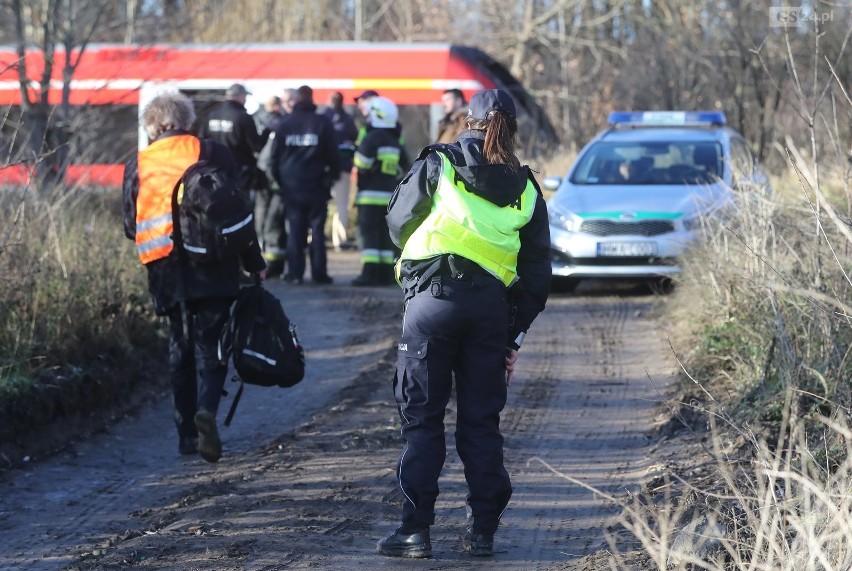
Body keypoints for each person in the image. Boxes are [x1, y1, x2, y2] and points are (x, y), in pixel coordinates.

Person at [378, 89, 551, 558]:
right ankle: (482, 532)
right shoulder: (528, 186)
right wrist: (513, 336)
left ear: (465, 121)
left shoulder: (439, 164)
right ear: (512, 127)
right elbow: (537, 275)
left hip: (432, 305)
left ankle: (415, 531)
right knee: (480, 425)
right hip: (490, 313)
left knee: (422, 422)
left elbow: (397, 224)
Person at [122, 92, 266, 463]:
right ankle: (207, 410)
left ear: (151, 126)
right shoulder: (211, 152)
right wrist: (254, 261)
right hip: (213, 265)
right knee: (212, 345)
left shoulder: (138, 163)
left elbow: (128, 225)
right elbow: (235, 210)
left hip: (164, 267)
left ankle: (186, 434)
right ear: (187, 119)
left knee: (179, 346)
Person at [270, 85, 339, 285]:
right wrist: (329, 179)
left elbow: (274, 158)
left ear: (297, 99)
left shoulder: (284, 124)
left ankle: (295, 273)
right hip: (317, 185)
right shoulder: (322, 123)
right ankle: (319, 274)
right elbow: (334, 156)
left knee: (295, 230)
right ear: (311, 98)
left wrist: (280, 182)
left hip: (291, 187)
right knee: (317, 230)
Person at [351, 96, 408, 286]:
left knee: (369, 236)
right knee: (385, 237)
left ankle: (369, 274)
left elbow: (361, 162)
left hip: (369, 196)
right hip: (389, 197)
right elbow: (404, 167)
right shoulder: (394, 139)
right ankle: (386, 275)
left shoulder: (371, 137)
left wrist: (354, 151)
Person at [198, 83, 270, 197]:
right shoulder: (243, 117)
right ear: (240, 96)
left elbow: (201, 143)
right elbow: (257, 146)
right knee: (240, 208)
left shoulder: (211, 116)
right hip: (239, 174)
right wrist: (267, 132)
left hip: (214, 173)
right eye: (245, 97)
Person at [253, 95, 288, 277]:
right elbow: (269, 158)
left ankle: (266, 262)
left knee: (263, 221)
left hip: (262, 178)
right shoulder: (280, 123)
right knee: (274, 223)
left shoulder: (256, 119)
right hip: (273, 180)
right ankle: (273, 264)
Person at [322, 91, 359, 250]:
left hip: (323, 168)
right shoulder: (347, 119)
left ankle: (315, 236)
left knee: (320, 204)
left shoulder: (322, 119)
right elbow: (354, 137)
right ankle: (341, 239)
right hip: (343, 166)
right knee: (341, 204)